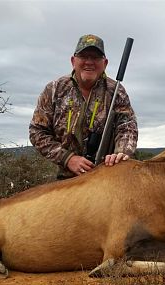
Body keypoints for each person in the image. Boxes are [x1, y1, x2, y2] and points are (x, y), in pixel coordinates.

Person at [29, 34, 138, 179]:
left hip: (106, 175)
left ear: (105, 63)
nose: (89, 62)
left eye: (95, 58)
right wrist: (68, 159)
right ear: (73, 61)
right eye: (84, 56)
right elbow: (37, 132)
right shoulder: (54, 89)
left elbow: (127, 127)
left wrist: (121, 153)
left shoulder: (116, 91)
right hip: (67, 179)